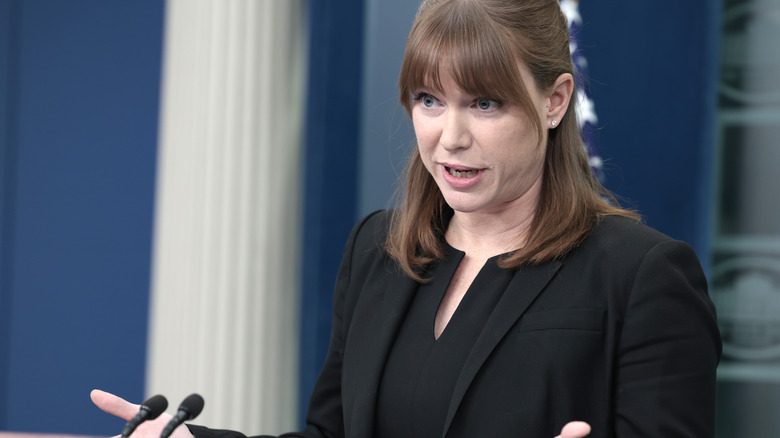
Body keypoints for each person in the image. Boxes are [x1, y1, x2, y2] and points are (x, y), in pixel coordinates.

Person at [92, 0, 721, 436]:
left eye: (484, 103)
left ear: (555, 101)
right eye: (429, 100)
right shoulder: (378, 250)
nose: (450, 136)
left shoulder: (642, 275)